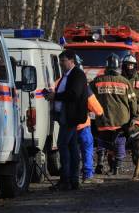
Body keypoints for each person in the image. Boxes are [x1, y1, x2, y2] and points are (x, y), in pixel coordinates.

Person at [44, 49, 88, 190]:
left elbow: (74, 94)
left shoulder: (78, 75)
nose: (61, 64)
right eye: (60, 61)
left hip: (71, 117)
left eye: (63, 61)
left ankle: (66, 180)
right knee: (72, 147)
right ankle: (73, 180)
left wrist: (55, 96)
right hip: (66, 116)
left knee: (63, 145)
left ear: (71, 61)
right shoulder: (66, 75)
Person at [91, 53, 137, 175]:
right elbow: (133, 101)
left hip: (103, 119)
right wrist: (134, 116)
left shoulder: (97, 81)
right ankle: (117, 168)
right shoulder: (125, 82)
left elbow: (89, 97)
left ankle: (100, 162)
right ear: (118, 67)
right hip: (121, 121)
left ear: (106, 67)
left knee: (102, 141)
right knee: (120, 143)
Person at [74, 55, 104, 184]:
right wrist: (100, 113)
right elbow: (95, 107)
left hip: (65, 125)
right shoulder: (83, 85)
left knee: (70, 150)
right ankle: (87, 175)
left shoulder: (59, 81)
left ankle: (71, 176)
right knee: (86, 148)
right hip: (82, 124)